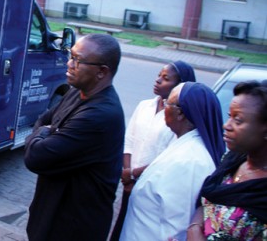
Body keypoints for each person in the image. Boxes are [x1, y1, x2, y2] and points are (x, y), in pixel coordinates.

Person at [24, 33, 125, 241]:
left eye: (78, 60)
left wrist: (44, 133)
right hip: (48, 217)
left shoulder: (100, 115)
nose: (69, 64)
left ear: (101, 72)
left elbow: (36, 157)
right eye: (71, 56)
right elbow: (43, 119)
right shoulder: (76, 91)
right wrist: (46, 131)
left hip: (73, 227)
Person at [120, 82, 226, 241]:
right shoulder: (184, 146)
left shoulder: (189, 161)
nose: (163, 107)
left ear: (180, 113)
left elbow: (176, 229)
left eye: (168, 103)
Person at [110, 61, 196, 240]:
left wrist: (134, 174)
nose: (157, 81)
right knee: (122, 227)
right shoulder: (144, 106)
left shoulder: (179, 118)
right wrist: (127, 174)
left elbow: (168, 156)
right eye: (158, 75)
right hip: (129, 183)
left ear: (179, 85)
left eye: (165, 78)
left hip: (151, 186)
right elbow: (129, 141)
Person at [187, 80, 267, 241]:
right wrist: (194, 229)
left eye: (238, 120)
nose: (226, 125)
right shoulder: (231, 160)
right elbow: (208, 199)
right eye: (230, 116)